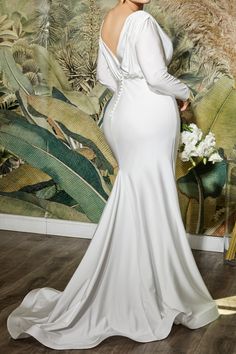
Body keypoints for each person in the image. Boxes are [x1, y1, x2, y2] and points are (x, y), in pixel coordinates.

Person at [7, 0, 220, 350]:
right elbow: (156, 77)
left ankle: (132, 280)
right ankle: (151, 287)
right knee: (152, 195)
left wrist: (132, 86)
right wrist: (186, 92)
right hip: (149, 116)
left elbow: (107, 77)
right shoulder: (142, 20)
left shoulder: (111, 18)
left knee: (135, 194)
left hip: (121, 114)